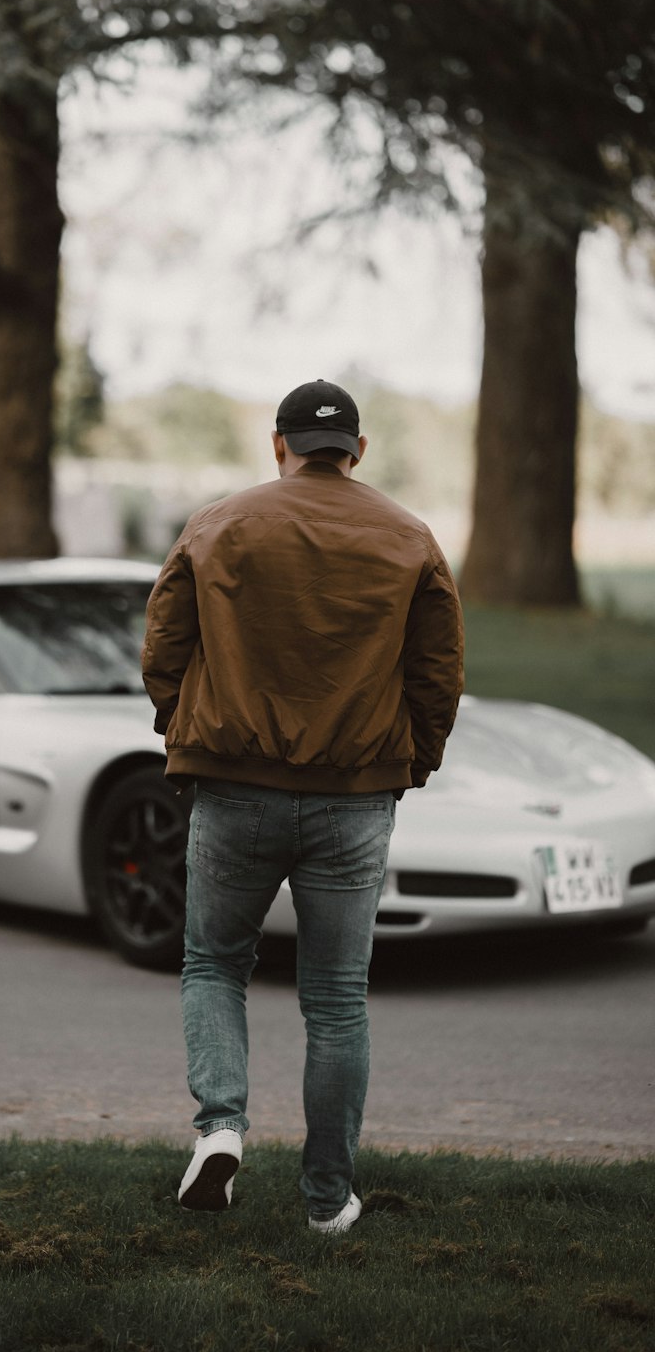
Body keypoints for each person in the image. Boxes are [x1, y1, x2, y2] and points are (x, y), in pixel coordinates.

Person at [141, 379, 464, 1234]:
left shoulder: (220, 524)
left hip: (235, 788)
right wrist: (407, 767)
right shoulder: (410, 538)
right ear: (356, 451)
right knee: (336, 1001)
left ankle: (220, 1129)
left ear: (278, 445)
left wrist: (188, 733)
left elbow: (164, 648)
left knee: (214, 965)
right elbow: (438, 679)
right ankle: (328, 1203)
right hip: (353, 800)